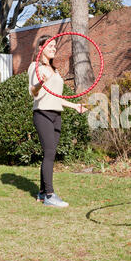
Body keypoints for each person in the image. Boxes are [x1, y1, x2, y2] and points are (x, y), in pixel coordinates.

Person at [28, 35, 87, 208]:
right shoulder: (35, 67)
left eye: (55, 46)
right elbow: (34, 92)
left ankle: (41, 193)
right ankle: (50, 195)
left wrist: (74, 106)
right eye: (50, 45)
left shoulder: (55, 70)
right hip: (43, 114)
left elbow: (56, 97)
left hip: (56, 115)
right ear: (41, 48)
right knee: (49, 153)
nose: (54, 48)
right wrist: (40, 83)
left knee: (50, 153)